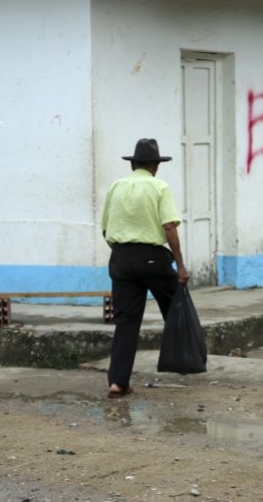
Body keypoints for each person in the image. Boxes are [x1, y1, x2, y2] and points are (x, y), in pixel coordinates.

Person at [101, 138, 190, 399]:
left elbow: (106, 230)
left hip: (120, 257)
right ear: (155, 166)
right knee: (176, 306)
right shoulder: (159, 187)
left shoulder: (116, 187)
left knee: (126, 322)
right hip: (153, 258)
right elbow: (169, 227)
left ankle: (118, 382)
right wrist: (180, 265)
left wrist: (124, 254)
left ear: (133, 165)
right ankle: (185, 361)